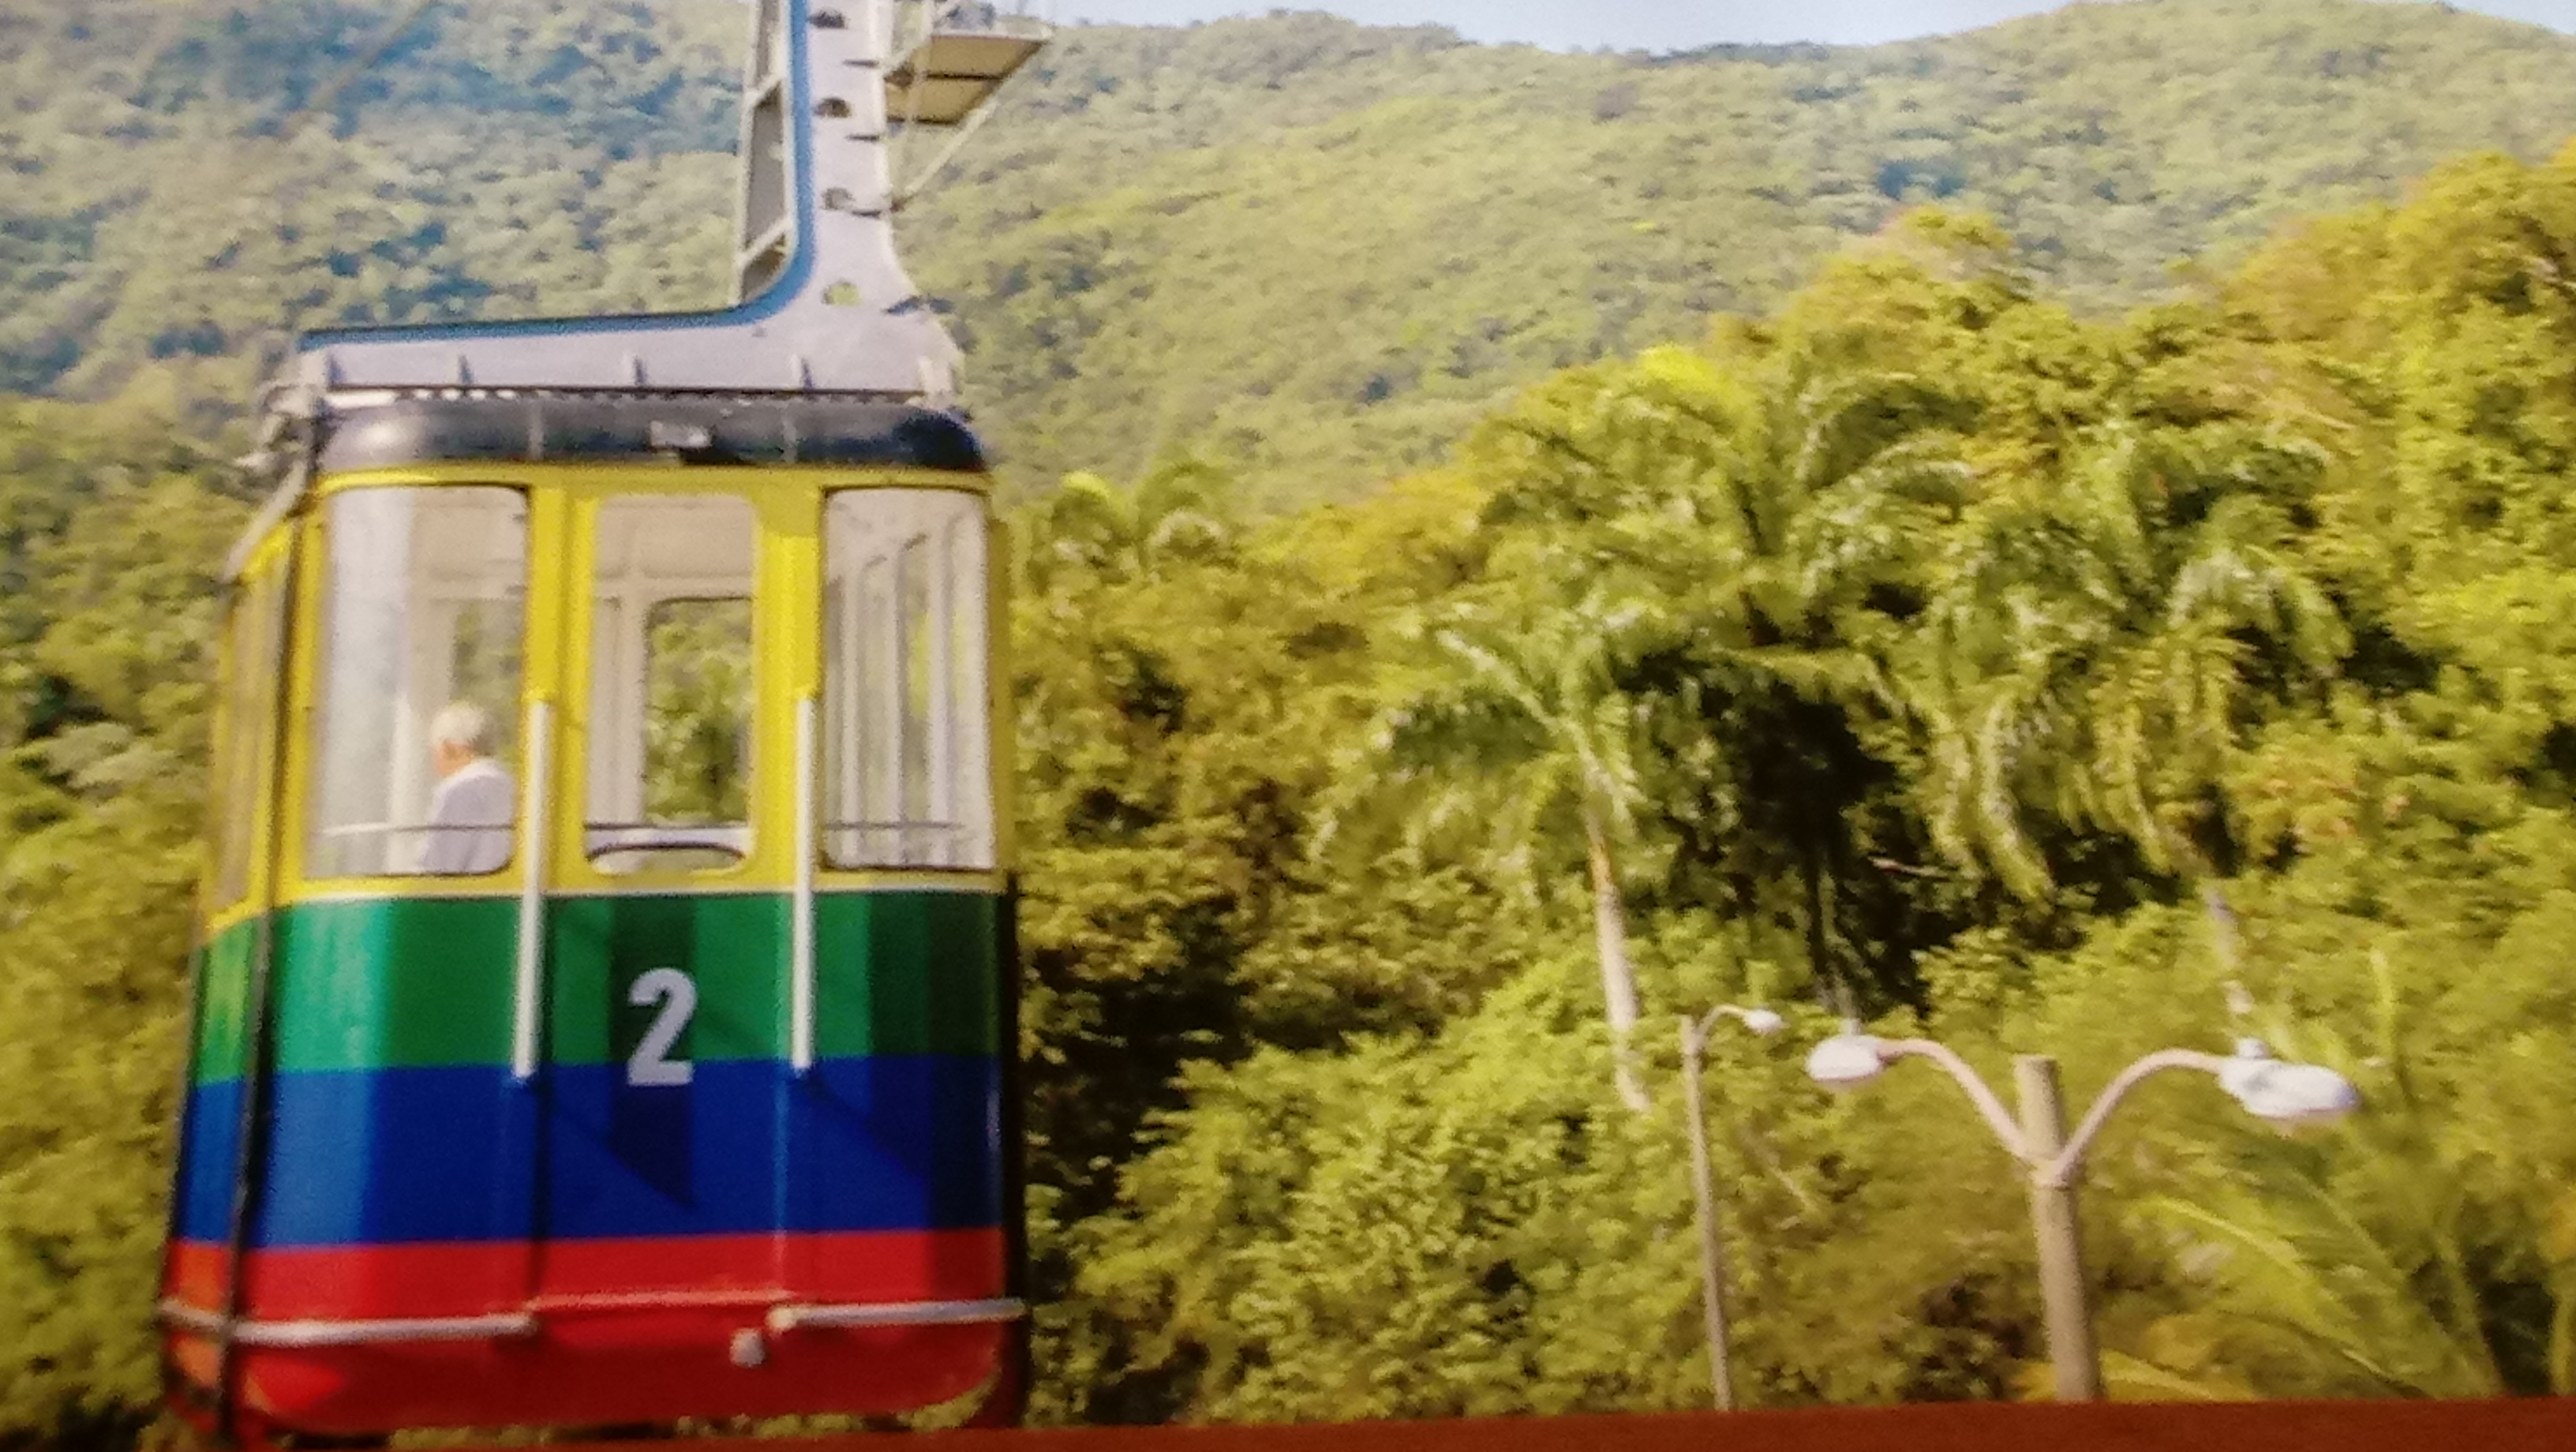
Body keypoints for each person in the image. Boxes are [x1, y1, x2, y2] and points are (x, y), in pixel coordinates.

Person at [422, 702, 515, 875]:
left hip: (467, 890)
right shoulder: (512, 785)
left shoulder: (458, 789)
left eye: (434, 751)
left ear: (450, 748)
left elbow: (439, 867)